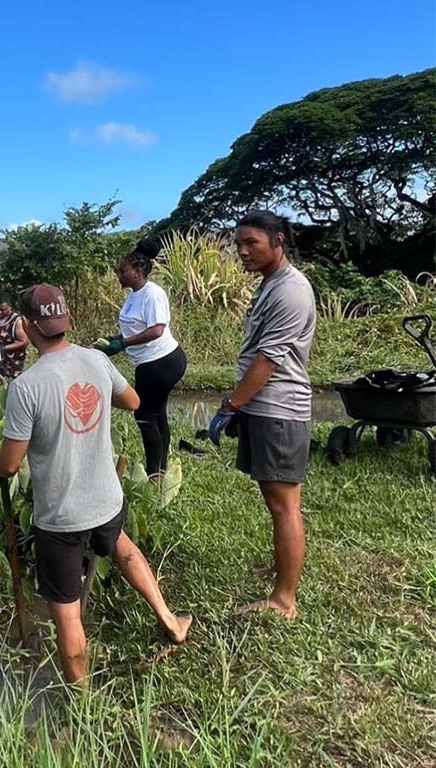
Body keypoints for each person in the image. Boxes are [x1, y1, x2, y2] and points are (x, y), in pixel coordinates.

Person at [0, 284, 191, 685]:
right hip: (107, 500)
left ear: (28, 326)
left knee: (66, 613)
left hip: (61, 519)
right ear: (65, 321)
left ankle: (81, 703)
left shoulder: (26, 386)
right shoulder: (97, 360)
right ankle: (170, 620)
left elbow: (10, 466)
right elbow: (133, 401)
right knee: (123, 547)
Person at [209, 211, 316, 620]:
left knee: (284, 505)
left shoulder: (291, 291)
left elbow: (268, 359)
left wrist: (232, 404)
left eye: (251, 243)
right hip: (264, 406)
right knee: (276, 502)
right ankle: (280, 568)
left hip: (279, 410)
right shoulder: (271, 285)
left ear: (278, 241)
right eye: (238, 244)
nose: (242, 251)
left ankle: (284, 599)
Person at [104, 239, 187, 478]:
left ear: (137, 272)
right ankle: (160, 470)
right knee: (157, 413)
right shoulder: (134, 295)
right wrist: (115, 340)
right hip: (148, 363)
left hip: (161, 362)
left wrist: (124, 344)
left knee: (145, 416)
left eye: (123, 271)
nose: (120, 275)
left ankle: (153, 476)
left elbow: (156, 330)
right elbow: (135, 327)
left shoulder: (153, 294)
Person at [0, 294, 28, 379]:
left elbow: (24, 342)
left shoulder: (17, 321)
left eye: (3, 310)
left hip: (12, 362)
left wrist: (3, 348)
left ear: (10, 307)